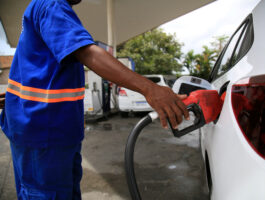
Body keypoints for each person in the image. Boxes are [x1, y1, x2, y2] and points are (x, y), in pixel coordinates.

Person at [0, 0, 189, 199]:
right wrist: (151, 89)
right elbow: (88, 52)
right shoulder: (51, 4)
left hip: (52, 131)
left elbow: (36, 70)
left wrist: (14, 97)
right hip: (44, 133)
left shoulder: (48, 8)